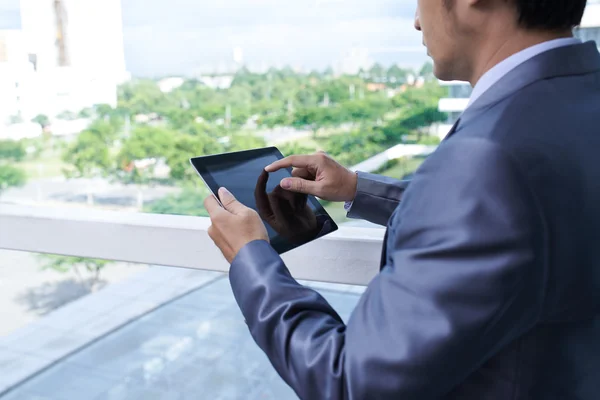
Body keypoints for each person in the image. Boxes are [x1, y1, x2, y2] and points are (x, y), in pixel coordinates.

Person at [204, 0, 600, 398]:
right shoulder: (580, 95)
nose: (415, 21)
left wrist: (251, 257)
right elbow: (516, 221)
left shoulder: (484, 158)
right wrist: (357, 189)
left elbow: (350, 381)